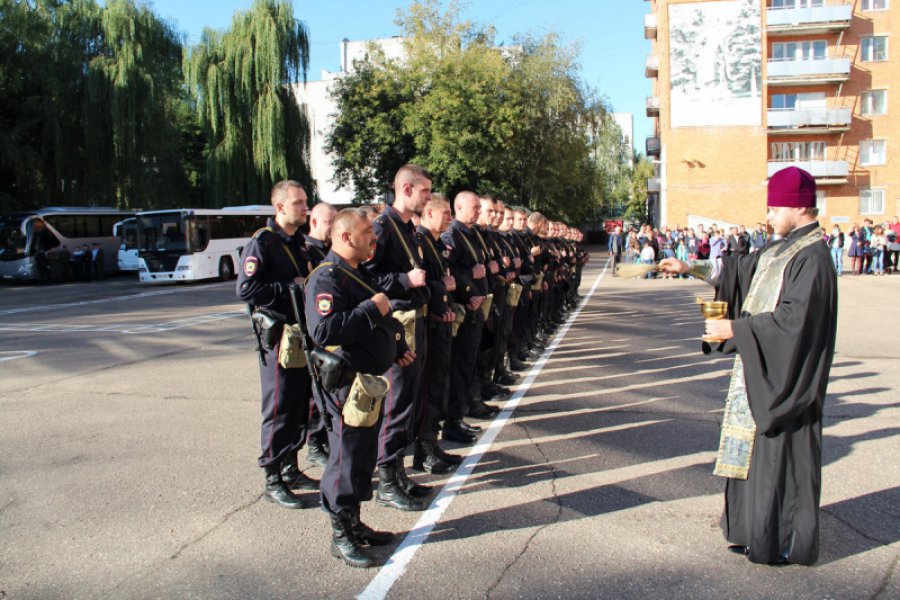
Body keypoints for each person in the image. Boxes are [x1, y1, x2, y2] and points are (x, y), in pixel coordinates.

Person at [659, 166, 838, 566]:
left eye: (775, 208)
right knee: (752, 455)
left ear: (797, 206)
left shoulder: (813, 259)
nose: (769, 215)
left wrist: (736, 328)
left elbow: (793, 323)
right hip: (758, 370)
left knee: (777, 454)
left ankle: (780, 537)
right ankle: (748, 530)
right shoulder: (780, 248)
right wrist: (691, 267)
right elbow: (740, 270)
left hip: (785, 379)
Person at [304, 208, 412, 567]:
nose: (374, 238)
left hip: (365, 384)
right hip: (344, 386)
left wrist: (396, 347)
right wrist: (372, 309)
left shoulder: (354, 272)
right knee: (345, 458)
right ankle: (340, 534)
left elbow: (382, 318)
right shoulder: (327, 278)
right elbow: (323, 330)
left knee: (363, 454)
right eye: (368, 232)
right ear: (346, 237)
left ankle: (354, 523)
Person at [236, 180, 318, 509]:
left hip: (299, 336)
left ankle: (290, 467)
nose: (305, 207)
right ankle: (272, 478)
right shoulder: (263, 243)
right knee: (279, 408)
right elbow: (246, 289)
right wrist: (289, 289)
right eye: (298, 203)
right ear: (280, 207)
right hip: (277, 340)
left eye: (305, 202)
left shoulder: (299, 242)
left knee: (299, 405)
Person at [364, 164, 433, 511]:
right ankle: (387, 480)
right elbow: (369, 278)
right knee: (396, 403)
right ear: (406, 189)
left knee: (411, 401)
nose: (429, 197)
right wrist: (405, 281)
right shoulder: (383, 227)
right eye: (425, 191)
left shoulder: (407, 228)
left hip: (415, 321)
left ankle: (400, 475)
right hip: (399, 322)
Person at [304, 201, 337, 468]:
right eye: (329, 222)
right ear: (314, 222)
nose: (333, 227)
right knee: (315, 392)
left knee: (327, 389)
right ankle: (314, 443)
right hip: (313, 333)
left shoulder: (328, 251)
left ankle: (324, 438)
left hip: (329, 333)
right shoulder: (307, 251)